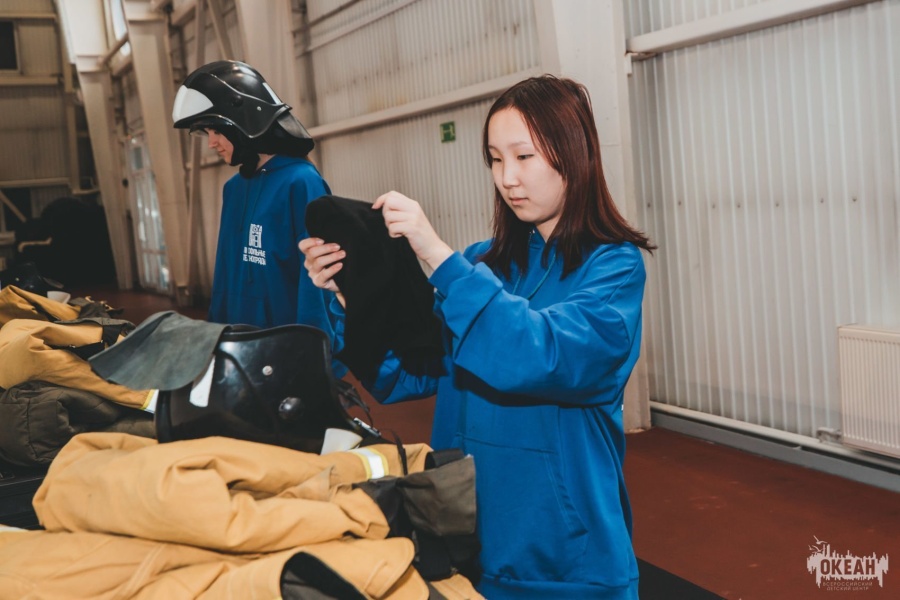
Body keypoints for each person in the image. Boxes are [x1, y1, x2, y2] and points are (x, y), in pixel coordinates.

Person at [300, 75, 655, 599]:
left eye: (525, 156)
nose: (508, 178)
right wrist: (351, 296)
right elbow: (410, 372)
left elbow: (543, 355)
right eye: (495, 159)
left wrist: (437, 257)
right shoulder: (482, 264)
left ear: (575, 156)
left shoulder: (613, 269)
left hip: (565, 560)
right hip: (467, 543)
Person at [172, 60, 339, 362]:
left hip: (287, 348)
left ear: (243, 123)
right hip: (238, 346)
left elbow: (317, 281)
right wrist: (214, 336)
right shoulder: (234, 189)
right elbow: (225, 272)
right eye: (207, 133)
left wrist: (314, 350)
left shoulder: (301, 181)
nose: (211, 143)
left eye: (216, 131)